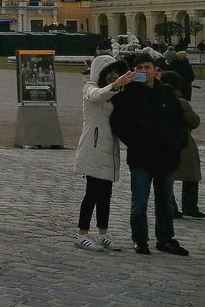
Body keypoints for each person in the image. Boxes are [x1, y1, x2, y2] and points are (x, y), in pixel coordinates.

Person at [110, 53, 190, 256]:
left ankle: (165, 239)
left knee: (165, 203)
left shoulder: (168, 93)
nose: (144, 72)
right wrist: (135, 142)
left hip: (166, 156)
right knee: (139, 203)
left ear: (155, 70)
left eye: (147, 67)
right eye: (139, 68)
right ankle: (140, 239)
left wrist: (178, 143)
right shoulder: (126, 96)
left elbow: (180, 122)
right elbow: (118, 124)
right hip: (141, 157)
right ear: (133, 72)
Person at [75, 55, 132, 250]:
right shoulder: (89, 87)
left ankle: (102, 233)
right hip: (93, 147)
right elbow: (98, 95)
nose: (113, 77)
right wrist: (116, 85)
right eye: (110, 74)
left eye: (116, 74)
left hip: (109, 148)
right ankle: (81, 234)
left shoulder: (115, 92)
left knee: (105, 195)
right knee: (91, 193)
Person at [160, 70, 202, 219]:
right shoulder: (181, 102)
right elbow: (195, 121)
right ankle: (190, 206)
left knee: (165, 177)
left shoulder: (156, 98)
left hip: (162, 142)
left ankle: (170, 206)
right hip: (182, 140)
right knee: (191, 174)